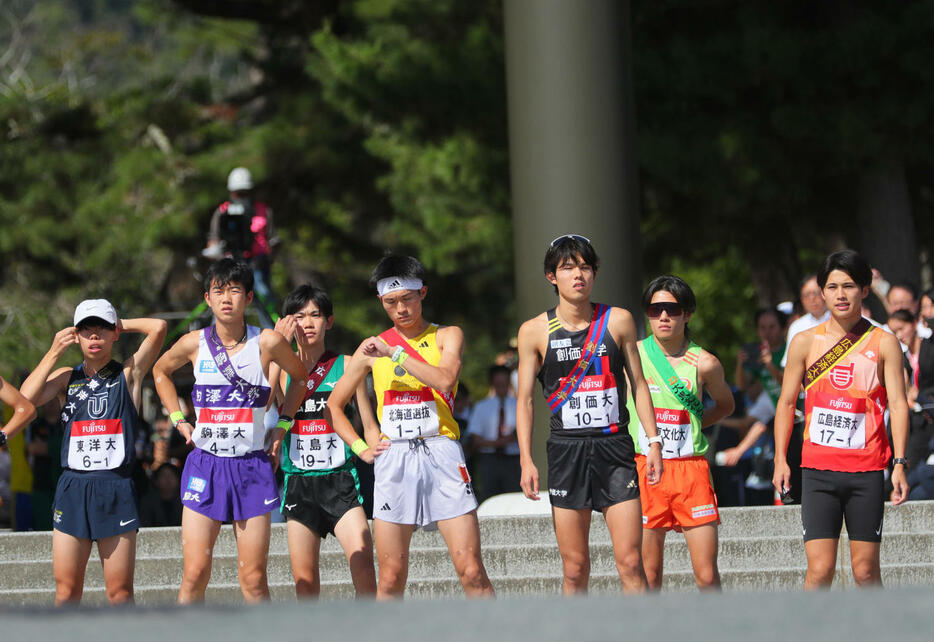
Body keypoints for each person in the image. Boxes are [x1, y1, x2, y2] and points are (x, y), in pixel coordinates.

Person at [326, 254, 494, 599]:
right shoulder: (372, 347)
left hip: (441, 449)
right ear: (381, 302)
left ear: (423, 294)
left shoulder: (447, 335)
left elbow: (446, 380)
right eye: (390, 302)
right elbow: (333, 405)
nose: (400, 309)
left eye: (407, 299)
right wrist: (363, 445)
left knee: (471, 570)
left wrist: (396, 354)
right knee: (390, 577)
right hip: (395, 456)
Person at [153, 258, 308, 603]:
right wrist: (179, 419)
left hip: (251, 465)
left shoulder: (266, 342)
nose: (227, 298)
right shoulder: (194, 343)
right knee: (194, 573)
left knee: (253, 579)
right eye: (218, 290)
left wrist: (283, 426)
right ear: (206, 298)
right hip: (205, 464)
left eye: (235, 290)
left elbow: (301, 377)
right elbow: (160, 371)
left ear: (249, 297)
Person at [516, 234, 663, 595]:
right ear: (552, 276)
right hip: (567, 451)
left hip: (615, 448)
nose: (578, 274)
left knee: (631, 561)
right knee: (575, 567)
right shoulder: (534, 331)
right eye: (568, 267)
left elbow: (639, 384)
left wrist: (654, 441)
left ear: (595, 273)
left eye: (585, 266)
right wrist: (525, 460)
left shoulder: (618, 321)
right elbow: (524, 400)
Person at [773, 249, 909, 589]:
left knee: (865, 572)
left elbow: (899, 403)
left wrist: (900, 462)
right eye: (832, 287)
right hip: (818, 471)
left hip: (866, 471)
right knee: (820, 571)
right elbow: (787, 402)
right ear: (821, 293)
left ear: (864, 290)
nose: (840, 295)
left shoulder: (884, 342)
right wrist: (779, 459)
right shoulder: (804, 342)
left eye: (848, 286)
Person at [19, 300, 166, 605]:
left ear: (114, 334)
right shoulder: (65, 377)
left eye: (102, 329)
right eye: (87, 329)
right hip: (73, 486)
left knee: (120, 592)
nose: (94, 336)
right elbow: (24, 399)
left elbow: (159, 327)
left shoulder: (129, 372)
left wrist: (119, 324)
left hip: (115, 486)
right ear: (76, 335)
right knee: (67, 591)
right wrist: (53, 352)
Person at [267, 284, 378, 598]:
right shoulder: (281, 367)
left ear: (329, 321)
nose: (308, 323)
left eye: (315, 315)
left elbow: (368, 423)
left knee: (364, 570)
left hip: (342, 481)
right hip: (298, 483)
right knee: (305, 583)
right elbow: (261, 406)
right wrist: (278, 346)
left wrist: (374, 450)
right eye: (299, 316)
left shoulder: (347, 364)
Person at [626, 276, 734, 591]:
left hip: (691, 471)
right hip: (646, 468)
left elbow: (726, 405)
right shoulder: (632, 353)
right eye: (654, 308)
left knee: (707, 575)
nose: (662, 316)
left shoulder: (705, 362)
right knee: (648, 574)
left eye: (671, 309)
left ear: (687, 314)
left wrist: (697, 423)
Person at [203, 167, 279, 327]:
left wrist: (268, 258)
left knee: (265, 299)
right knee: (222, 300)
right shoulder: (222, 212)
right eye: (238, 193)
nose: (241, 197)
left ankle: (275, 339)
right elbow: (213, 239)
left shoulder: (263, 211)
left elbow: (273, 241)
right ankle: (215, 338)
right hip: (230, 265)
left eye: (244, 193)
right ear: (231, 192)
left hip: (257, 265)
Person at [466, 365, 521, 503]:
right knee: (489, 499)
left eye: (504, 383)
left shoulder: (519, 405)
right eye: (498, 384)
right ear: (492, 384)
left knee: (514, 499)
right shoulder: (482, 406)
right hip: (489, 459)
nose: (501, 387)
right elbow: (476, 439)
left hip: (513, 459)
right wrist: (504, 441)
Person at [782, 275, 829, 368]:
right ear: (801, 299)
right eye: (807, 295)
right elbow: (790, 364)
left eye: (816, 293)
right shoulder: (797, 326)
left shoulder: (841, 320)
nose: (812, 299)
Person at [139, 463, 183, 527]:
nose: (168, 480)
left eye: (171, 475)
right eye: (164, 476)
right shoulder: (147, 502)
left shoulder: (185, 502)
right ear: (156, 481)